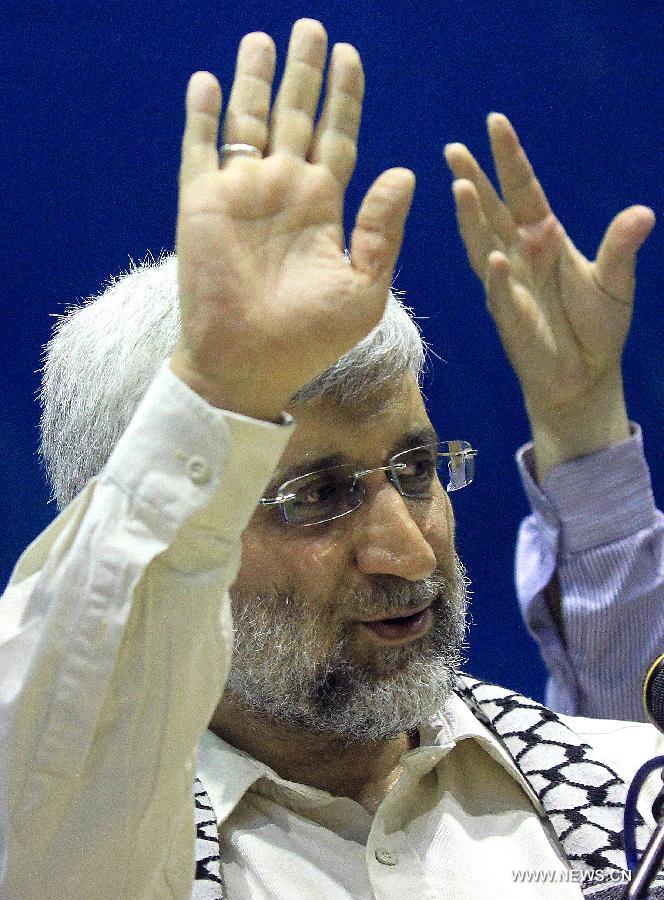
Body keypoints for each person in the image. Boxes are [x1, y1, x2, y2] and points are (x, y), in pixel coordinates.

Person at [0, 18, 662, 899]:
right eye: (315, 495)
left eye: (418, 470)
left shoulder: (627, 789)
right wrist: (214, 390)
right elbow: (56, 726)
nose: (412, 551)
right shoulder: (85, 844)